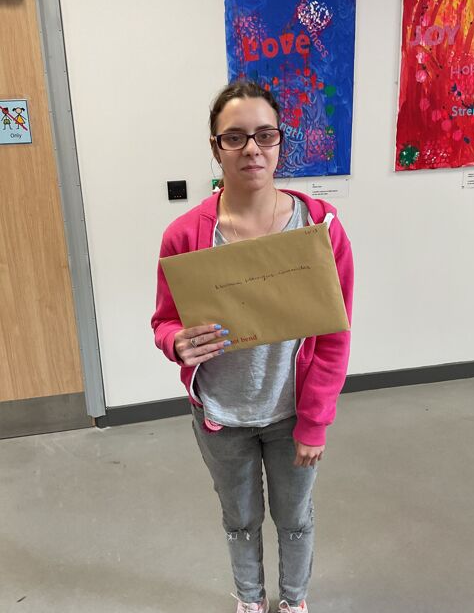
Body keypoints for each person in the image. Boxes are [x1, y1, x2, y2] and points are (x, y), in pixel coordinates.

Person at [151, 80, 353, 613]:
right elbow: (165, 321)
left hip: (291, 411)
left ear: (280, 141)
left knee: (295, 518)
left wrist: (315, 422)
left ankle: (293, 601)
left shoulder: (320, 229)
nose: (252, 149)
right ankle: (249, 599)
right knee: (239, 520)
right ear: (215, 147)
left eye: (265, 135)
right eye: (235, 137)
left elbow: (334, 337)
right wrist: (175, 342)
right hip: (221, 413)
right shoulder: (184, 235)